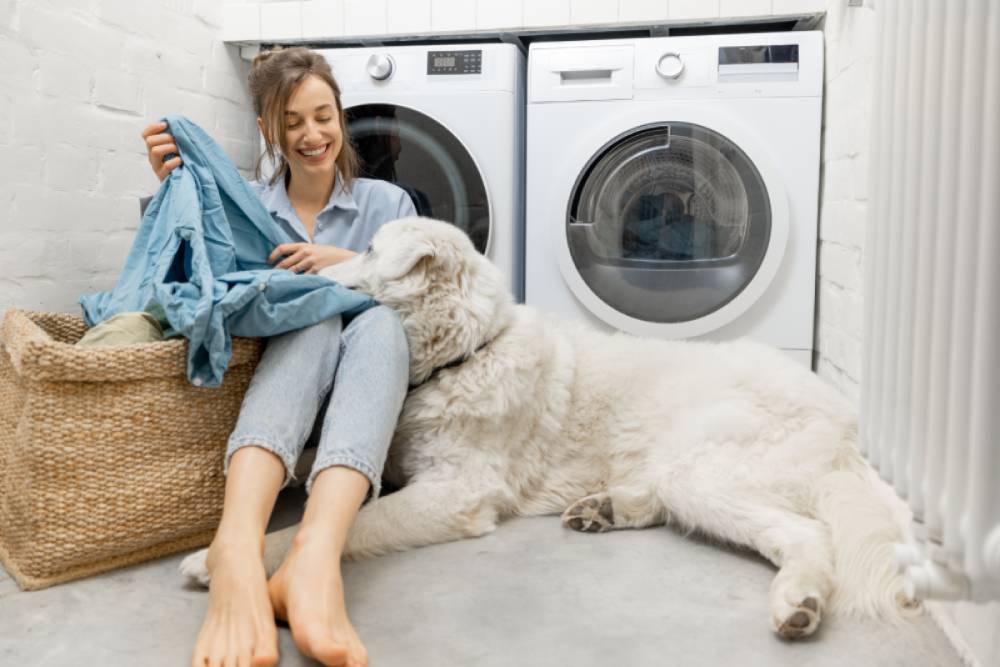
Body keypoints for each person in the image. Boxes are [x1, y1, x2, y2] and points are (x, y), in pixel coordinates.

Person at [142, 47, 416, 667]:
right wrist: (178, 194)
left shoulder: (387, 206)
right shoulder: (247, 210)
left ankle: (315, 556)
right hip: (280, 400)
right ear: (268, 129)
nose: (312, 134)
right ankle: (236, 548)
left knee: (382, 325)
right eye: (292, 122)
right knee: (312, 324)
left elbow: (429, 291)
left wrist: (349, 266)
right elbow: (200, 289)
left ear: (341, 117)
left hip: (364, 406)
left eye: (323, 116)